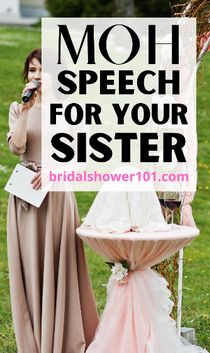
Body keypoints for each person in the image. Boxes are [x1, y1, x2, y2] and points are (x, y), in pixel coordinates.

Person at [7, 48, 99, 353]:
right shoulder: (19, 109)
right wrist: (27, 110)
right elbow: (17, 147)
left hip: (58, 198)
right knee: (30, 268)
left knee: (59, 266)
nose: (36, 76)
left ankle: (63, 339)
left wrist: (55, 173)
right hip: (25, 201)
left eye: (42, 70)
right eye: (32, 70)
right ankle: (34, 342)